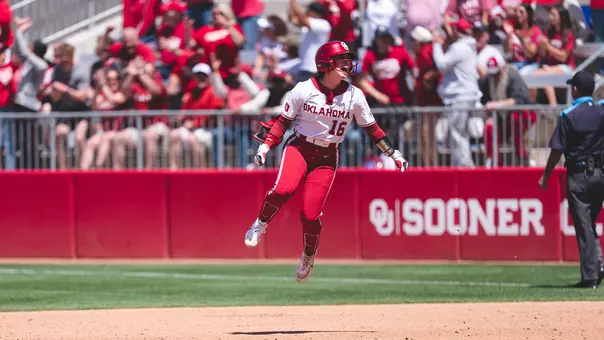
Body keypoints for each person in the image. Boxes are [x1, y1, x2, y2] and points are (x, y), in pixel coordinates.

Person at [244, 41, 409, 282]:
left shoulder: (355, 95)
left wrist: (394, 153)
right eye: (341, 59)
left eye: (347, 59)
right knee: (283, 189)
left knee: (310, 215)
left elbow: (372, 129)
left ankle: (308, 255)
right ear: (326, 63)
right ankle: (260, 223)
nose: (347, 64)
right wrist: (265, 146)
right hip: (300, 147)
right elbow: (282, 122)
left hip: (327, 156)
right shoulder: (303, 89)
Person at [539, 71, 604, 289]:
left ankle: (590, 277)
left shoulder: (568, 115)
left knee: (584, 226)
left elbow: (557, 150)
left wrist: (546, 175)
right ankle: (598, 265)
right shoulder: (602, 109)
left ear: (575, 89)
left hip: (578, 176)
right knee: (589, 223)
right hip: (601, 174)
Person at [432, 19, 482, 167]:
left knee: (458, 135)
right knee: (459, 135)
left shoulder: (460, 48)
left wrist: (436, 44)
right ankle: (461, 168)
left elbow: (441, 65)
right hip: (464, 97)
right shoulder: (468, 47)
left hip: (460, 97)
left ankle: (465, 169)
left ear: (457, 33)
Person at [478, 49, 535, 166]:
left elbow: (519, 99)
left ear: (503, 69)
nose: (494, 77)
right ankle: (493, 160)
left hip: (521, 115)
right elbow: (483, 100)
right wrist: (489, 115)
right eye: (492, 74)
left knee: (515, 118)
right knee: (489, 127)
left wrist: (497, 105)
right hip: (501, 117)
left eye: (497, 73)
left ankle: (522, 157)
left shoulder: (513, 76)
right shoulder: (487, 81)